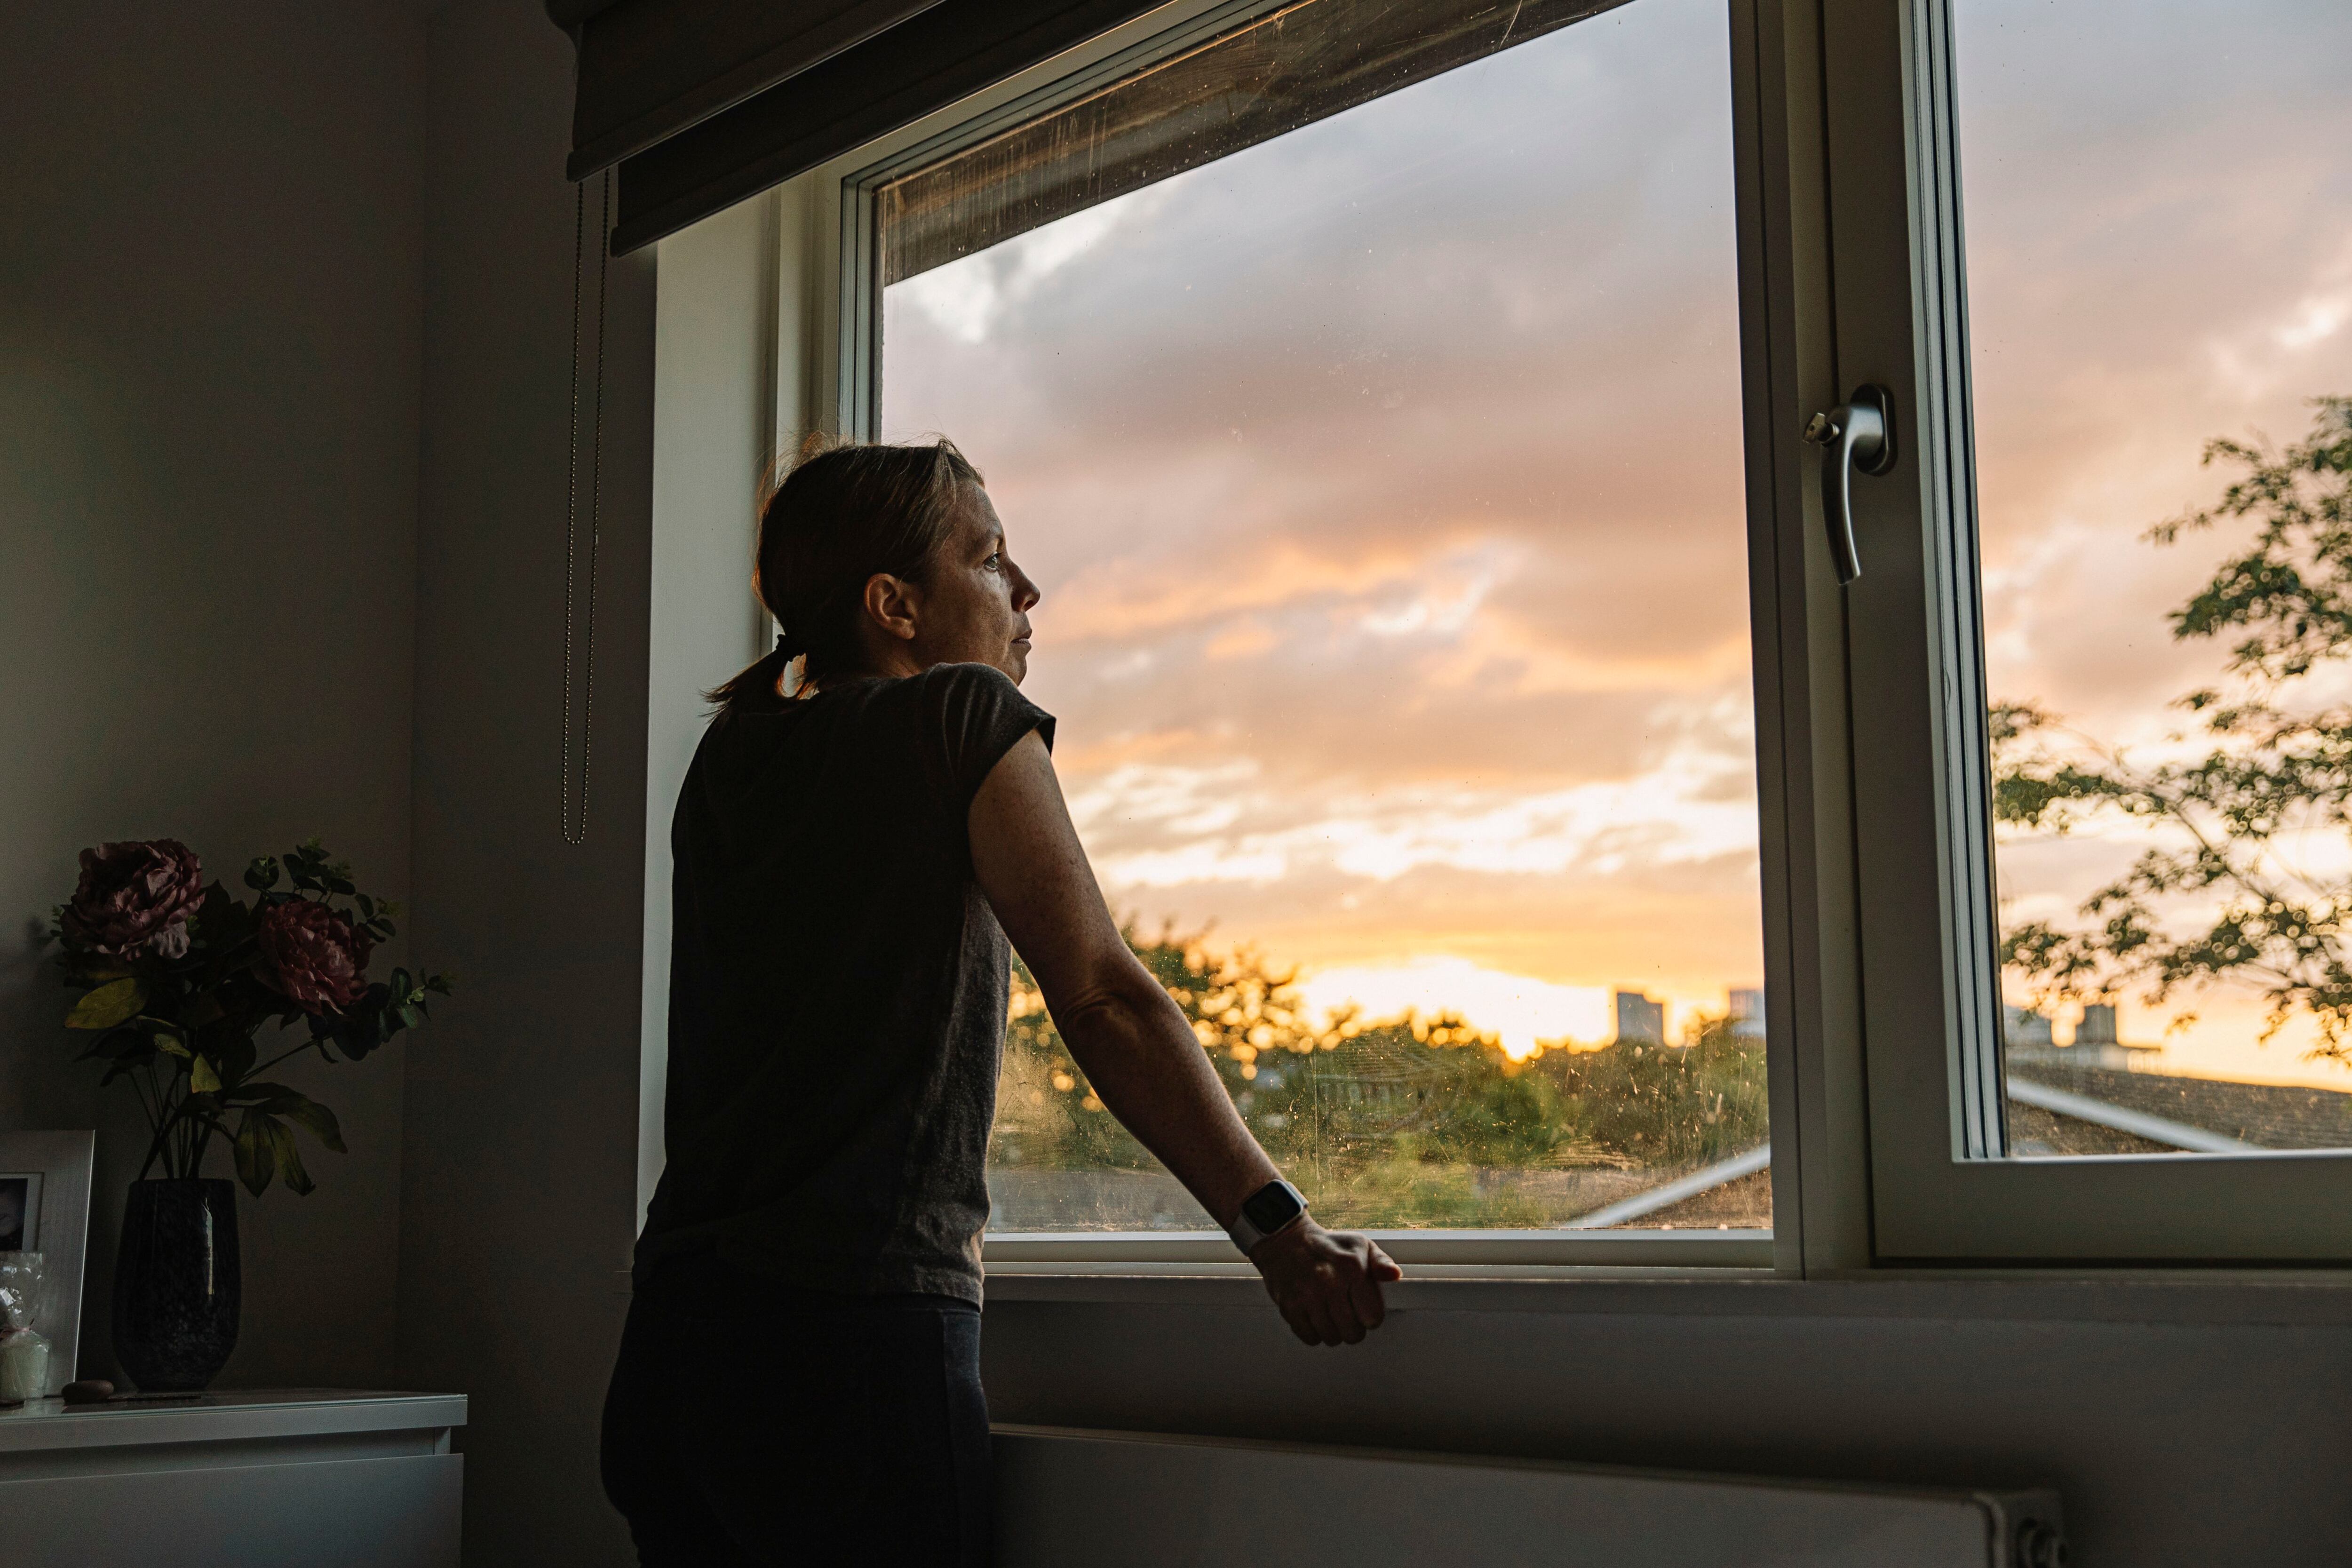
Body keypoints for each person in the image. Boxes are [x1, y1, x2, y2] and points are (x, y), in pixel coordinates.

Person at [600, 437, 1401, 1565]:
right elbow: (1103, 996)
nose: (1025, 591)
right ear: (896, 604)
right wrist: (1280, 1232)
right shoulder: (956, 717)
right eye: (989, 558)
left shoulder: (732, 756)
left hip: (674, 1354)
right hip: (849, 1350)